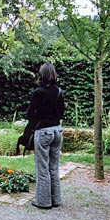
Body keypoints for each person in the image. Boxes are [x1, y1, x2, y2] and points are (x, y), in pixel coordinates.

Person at [26, 63, 65, 209]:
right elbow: (61, 113)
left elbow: (29, 114)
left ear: (41, 75)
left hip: (43, 132)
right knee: (53, 167)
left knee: (42, 168)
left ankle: (43, 201)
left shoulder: (38, 93)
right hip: (57, 131)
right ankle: (56, 200)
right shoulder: (60, 92)